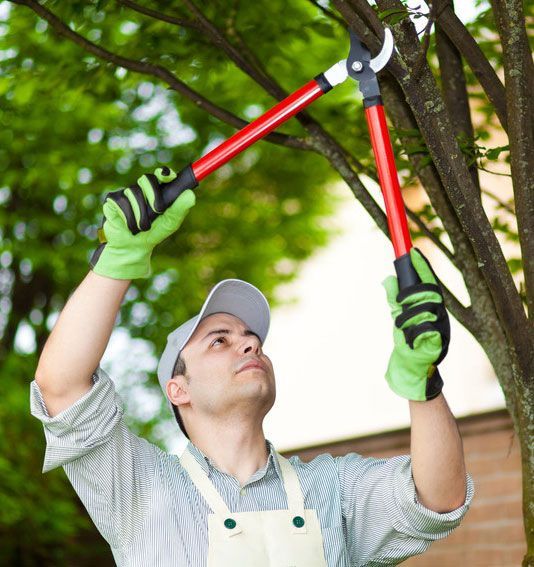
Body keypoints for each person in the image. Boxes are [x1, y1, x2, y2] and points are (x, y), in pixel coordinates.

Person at [31, 167, 473, 566]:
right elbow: (62, 386)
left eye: (252, 339)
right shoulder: (140, 488)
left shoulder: (334, 491)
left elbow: (438, 498)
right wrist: (119, 260)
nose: (247, 344)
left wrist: (425, 384)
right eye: (219, 340)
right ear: (177, 389)